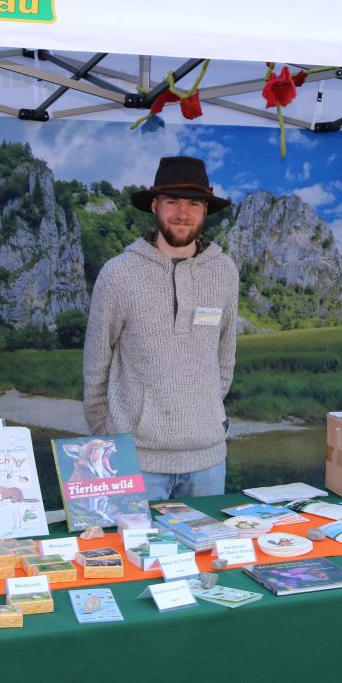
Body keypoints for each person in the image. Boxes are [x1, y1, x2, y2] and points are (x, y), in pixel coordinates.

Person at [82, 155, 240, 501]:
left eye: (194, 203)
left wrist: (208, 418)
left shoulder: (225, 272)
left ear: (205, 210)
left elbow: (225, 358)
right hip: (136, 463)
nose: (182, 213)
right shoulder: (118, 274)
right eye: (172, 202)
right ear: (155, 205)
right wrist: (110, 437)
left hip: (209, 464)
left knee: (206, 555)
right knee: (134, 556)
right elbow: (96, 366)